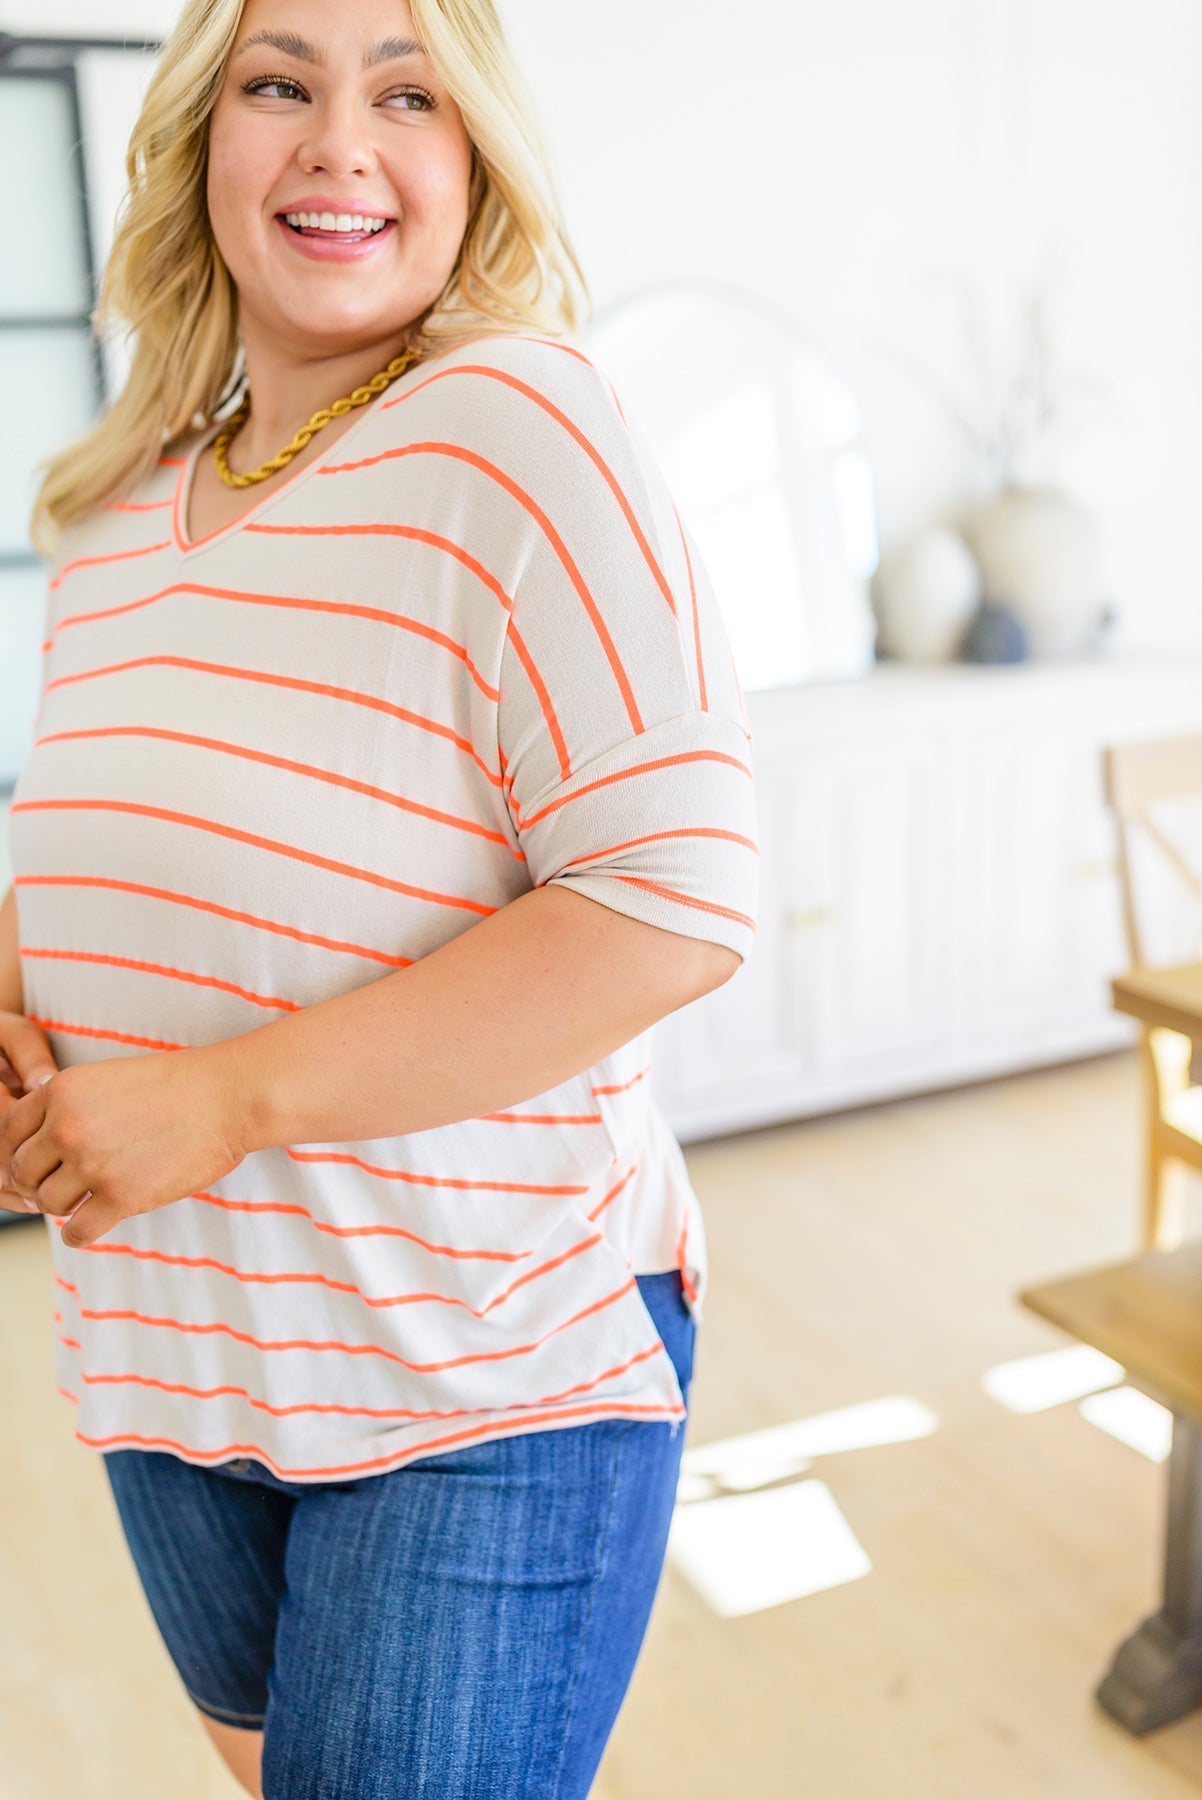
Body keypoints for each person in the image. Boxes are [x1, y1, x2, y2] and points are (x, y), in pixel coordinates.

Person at [0, 0, 758, 1793]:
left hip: (476, 1369)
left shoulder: (517, 425)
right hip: (175, 1345)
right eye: (280, 82)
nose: (340, 139)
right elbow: (101, 856)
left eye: (406, 93)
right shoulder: (111, 511)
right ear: (202, 137)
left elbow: (672, 895)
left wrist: (225, 1098)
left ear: (473, 156)